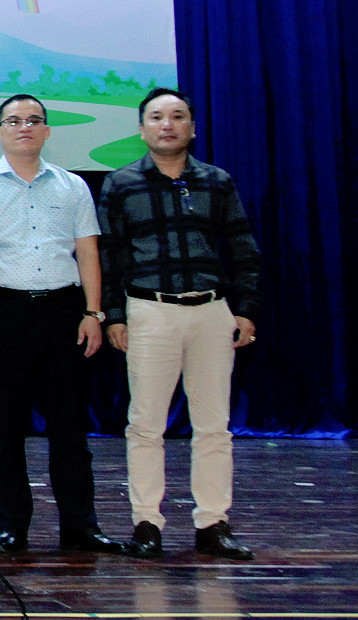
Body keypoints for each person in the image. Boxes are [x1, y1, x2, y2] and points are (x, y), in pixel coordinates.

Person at [101, 87, 261, 561]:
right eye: (156, 117)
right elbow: (109, 256)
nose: (167, 125)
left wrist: (246, 309)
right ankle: (147, 523)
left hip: (212, 312)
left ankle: (213, 522)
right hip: (149, 311)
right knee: (145, 424)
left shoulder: (217, 181)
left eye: (177, 116)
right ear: (142, 129)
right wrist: (114, 315)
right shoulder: (121, 184)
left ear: (191, 126)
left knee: (214, 425)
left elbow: (243, 248)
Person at [0, 96, 126, 555]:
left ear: (47, 131)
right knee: (5, 429)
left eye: (34, 120)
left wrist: (93, 313)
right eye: (14, 121)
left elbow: (88, 251)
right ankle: (12, 525)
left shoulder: (72, 185)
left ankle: (81, 526)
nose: (25, 128)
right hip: (2, 311)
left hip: (64, 312)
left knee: (70, 428)